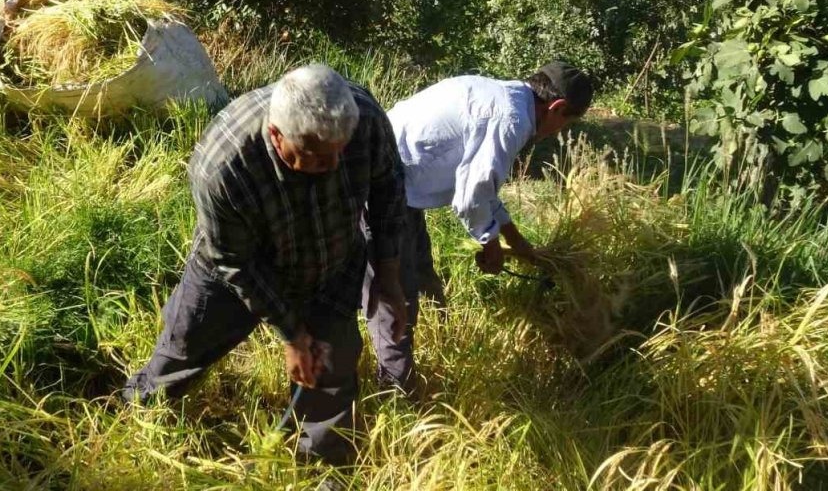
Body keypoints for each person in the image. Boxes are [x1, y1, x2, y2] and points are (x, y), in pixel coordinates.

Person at [123, 64, 409, 465]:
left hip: (333, 262)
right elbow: (234, 261)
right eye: (314, 157)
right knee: (182, 351)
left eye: (339, 153)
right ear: (277, 136)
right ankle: (135, 415)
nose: (331, 166)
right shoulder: (223, 165)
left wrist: (388, 277)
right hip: (239, 270)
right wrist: (292, 334)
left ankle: (324, 468)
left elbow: (388, 189)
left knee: (332, 365)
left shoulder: (363, 118)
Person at [363, 61, 594, 390]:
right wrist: (491, 244)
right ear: (556, 108)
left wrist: (517, 242)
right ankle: (396, 393)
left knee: (423, 273)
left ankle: (439, 343)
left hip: (404, 182)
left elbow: (484, 191)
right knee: (397, 297)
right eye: (566, 124)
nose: (560, 132)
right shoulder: (510, 120)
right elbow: (471, 198)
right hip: (382, 181)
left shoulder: (506, 98)